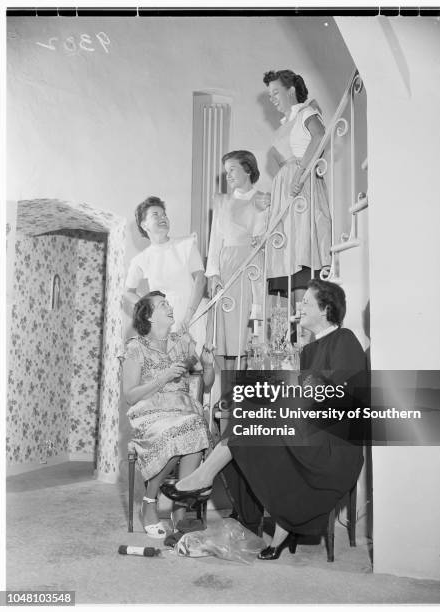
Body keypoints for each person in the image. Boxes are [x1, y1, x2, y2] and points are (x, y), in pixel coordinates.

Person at [161, 279, 366, 560]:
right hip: (309, 434)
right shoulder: (308, 350)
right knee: (248, 415)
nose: (300, 306)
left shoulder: (345, 339)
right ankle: (262, 520)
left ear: (326, 308)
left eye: (306, 301)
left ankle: (204, 477)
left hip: (335, 445)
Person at [122, 290, 215, 538]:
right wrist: (162, 377)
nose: (170, 307)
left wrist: (207, 365)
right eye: (163, 305)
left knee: (193, 423)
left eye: (168, 303)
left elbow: (207, 382)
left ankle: (180, 509)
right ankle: (149, 501)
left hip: (183, 410)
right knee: (181, 429)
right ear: (150, 317)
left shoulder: (182, 342)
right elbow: (130, 395)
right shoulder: (136, 348)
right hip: (151, 414)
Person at [263, 69, 332, 307]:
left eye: (275, 92)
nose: (272, 99)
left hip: (301, 188)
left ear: (291, 90)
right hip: (287, 193)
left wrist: (301, 172)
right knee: (289, 254)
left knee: (303, 250)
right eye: (269, 95)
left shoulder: (307, 112)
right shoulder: (285, 123)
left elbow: (320, 135)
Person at [206, 150, 269, 370]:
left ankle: (249, 387)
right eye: (226, 172)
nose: (228, 175)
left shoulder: (263, 198)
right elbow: (215, 240)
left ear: (248, 169)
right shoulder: (222, 201)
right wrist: (213, 273)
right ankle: (228, 392)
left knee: (251, 330)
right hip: (228, 267)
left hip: (254, 267)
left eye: (232, 169)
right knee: (228, 332)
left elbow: (264, 236)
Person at [124, 196, 207, 353]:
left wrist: (188, 316)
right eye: (156, 214)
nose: (162, 218)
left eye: (164, 214)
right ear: (144, 224)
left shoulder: (186, 244)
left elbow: (200, 280)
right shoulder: (141, 259)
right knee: (169, 369)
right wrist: (149, 309)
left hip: (192, 313)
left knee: (196, 369)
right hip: (165, 320)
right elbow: (128, 292)